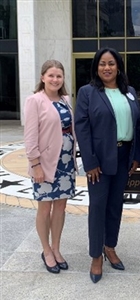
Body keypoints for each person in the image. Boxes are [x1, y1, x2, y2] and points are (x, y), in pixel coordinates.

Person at [74, 47, 140, 283]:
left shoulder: (130, 92)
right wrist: (90, 162)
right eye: (102, 63)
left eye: (111, 63)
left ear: (118, 66)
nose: (107, 68)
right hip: (100, 161)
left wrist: (136, 156)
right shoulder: (87, 92)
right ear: (96, 67)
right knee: (98, 207)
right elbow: (81, 128)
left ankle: (110, 247)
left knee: (115, 206)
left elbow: (138, 124)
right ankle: (96, 255)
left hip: (124, 157)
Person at [24, 60, 77, 274]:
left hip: (65, 162)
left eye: (59, 76)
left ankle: (56, 248)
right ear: (43, 77)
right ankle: (46, 250)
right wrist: (35, 164)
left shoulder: (65, 100)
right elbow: (30, 136)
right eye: (51, 75)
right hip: (45, 164)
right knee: (45, 208)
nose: (55, 79)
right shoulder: (34, 100)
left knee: (61, 208)